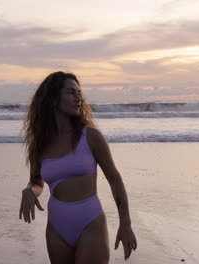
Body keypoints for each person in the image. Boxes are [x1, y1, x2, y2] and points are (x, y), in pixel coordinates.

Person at [19, 71, 137, 263]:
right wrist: (31, 190)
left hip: (90, 221)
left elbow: (115, 180)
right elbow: (37, 181)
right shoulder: (40, 144)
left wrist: (126, 223)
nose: (78, 98)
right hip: (57, 225)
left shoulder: (90, 136)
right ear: (53, 98)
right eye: (71, 92)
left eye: (79, 93)